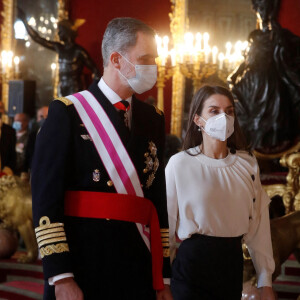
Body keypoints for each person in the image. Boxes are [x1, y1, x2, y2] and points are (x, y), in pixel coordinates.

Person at [31, 18, 172, 300]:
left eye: (154, 59)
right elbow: (46, 199)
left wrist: (163, 276)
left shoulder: (152, 119)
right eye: (144, 59)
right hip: (85, 267)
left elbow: (157, 202)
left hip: (138, 267)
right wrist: (61, 276)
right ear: (116, 60)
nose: (153, 67)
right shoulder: (68, 113)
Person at [165, 85, 275, 300]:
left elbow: (259, 229)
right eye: (214, 111)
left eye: (229, 111)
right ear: (197, 119)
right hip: (190, 269)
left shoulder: (248, 164)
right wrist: (163, 282)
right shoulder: (180, 164)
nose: (223, 117)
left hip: (231, 267)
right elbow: (166, 228)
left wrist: (266, 282)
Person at [18, 8, 101, 96]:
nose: (58, 34)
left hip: (75, 89)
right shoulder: (59, 48)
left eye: (60, 31)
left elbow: (96, 71)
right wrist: (24, 22)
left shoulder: (79, 51)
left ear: (67, 31)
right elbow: (38, 39)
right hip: (62, 89)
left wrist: (92, 92)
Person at [0, 101, 16, 175]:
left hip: (4, 174)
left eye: (1, 108)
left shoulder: (10, 131)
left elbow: (12, 155)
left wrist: (8, 170)